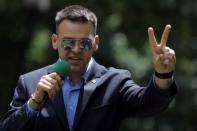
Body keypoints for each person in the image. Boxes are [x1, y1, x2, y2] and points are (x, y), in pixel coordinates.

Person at [1, 4, 178, 131]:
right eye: (68, 43)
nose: (76, 50)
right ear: (55, 41)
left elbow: (150, 104)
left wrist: (163, 75)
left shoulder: (114, 81)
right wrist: (34, 102)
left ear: (96, 43)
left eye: (84, 43)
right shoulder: (30, 82)